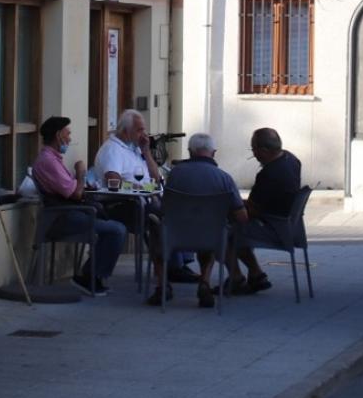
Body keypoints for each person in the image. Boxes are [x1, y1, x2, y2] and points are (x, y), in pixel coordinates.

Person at [90, 109, 200, 284]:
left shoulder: (134, 149)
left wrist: (146, 151)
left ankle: (180, 263)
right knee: (163, 214)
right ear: (126, 131)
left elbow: (155, 178)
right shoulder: (113, 150)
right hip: (121, 204)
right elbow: (113, 182)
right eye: (140, 130)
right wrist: (138, 187)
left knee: (179, 208)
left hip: (143, 200)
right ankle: (173, 267)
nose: (144, 134)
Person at [30, 116, 126, 297]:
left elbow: (72, 188)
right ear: (58, 135)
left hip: (70, 213)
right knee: (117, 230)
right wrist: (81, 174)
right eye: (68, 133)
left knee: (111, 222)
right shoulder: (48, 161)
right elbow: (74, 193)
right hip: (61, 218)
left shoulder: (53, 159)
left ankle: (92, 275)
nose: (70, 138)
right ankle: (88, 277)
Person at [156, 132, 248, 308]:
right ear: (214, 152)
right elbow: (241, 216)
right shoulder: (224, 178)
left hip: (175, 237)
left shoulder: (175, 175)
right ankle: (204, 281)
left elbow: (164, 209)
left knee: (154, 230)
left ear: (190, 152)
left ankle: (162, 285)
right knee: (214, 229)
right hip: (211, 239)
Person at [230, 127, 303, 293]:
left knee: (227, 231)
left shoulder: (269, 174)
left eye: (254, 150)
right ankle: (256, 274)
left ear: (264, 150)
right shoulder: (291, 159)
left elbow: (252, 211)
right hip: (289, 224)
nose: (254, 155)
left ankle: (236, 278)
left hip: (274, 226)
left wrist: (232, 203)